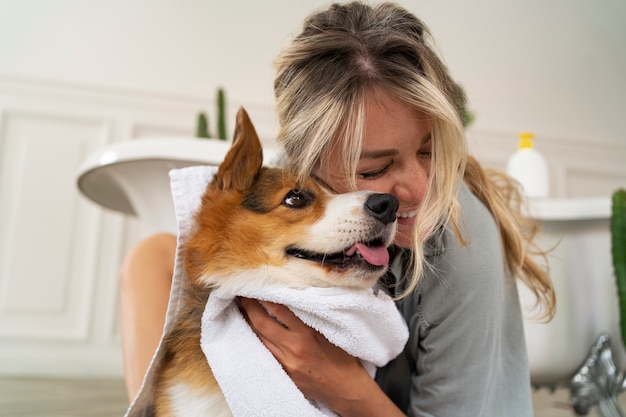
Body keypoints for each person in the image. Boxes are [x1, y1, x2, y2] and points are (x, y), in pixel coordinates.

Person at [119, 2, 556, 416]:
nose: (421, 189)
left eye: (430, 151)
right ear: (305, 161)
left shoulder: (463, 239)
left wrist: (346, 390)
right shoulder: (285, 189)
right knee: (152, 255)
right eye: (375, 168)